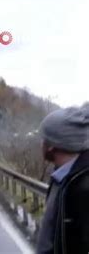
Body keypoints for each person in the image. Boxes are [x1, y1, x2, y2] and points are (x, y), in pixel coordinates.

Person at [37, 106, 89, 254]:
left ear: (52, 145)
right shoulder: (61, 176)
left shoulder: (84, 187)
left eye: (44, 139)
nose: (41, 143)